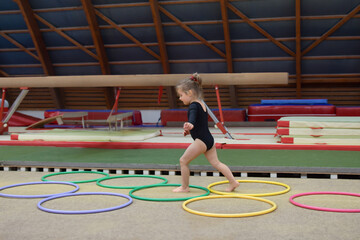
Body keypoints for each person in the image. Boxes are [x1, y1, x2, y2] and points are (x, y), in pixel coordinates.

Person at [172, 73, 240, 193]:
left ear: (190, 93)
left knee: (183, 161)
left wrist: (190, 125)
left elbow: (193, 119)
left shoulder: (193, 106)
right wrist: (189, 130)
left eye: (181, 95)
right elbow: (200, 123)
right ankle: (233, 182)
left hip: (201, 141)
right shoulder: (201, 103)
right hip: (209, 140)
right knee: (216, 163)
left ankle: (184, 187)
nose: (180, 98)